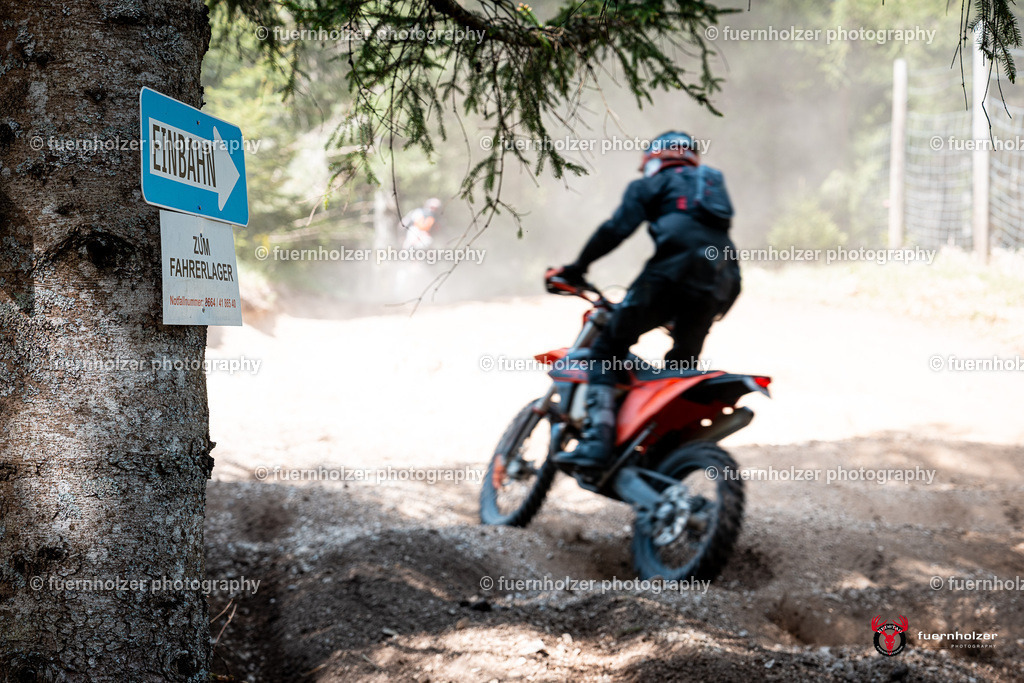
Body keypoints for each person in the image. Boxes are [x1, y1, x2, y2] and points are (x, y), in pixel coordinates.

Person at [548, 131, 742, 470]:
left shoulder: (650, 185)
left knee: (605, 351)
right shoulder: (709, 195)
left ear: (653, 161)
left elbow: (616, 229)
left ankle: (596, 445)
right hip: (718, 286)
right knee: (680, 367)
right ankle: (661, 452)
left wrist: (577, 269)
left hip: (668, 278)